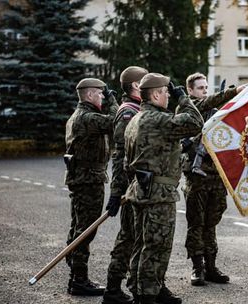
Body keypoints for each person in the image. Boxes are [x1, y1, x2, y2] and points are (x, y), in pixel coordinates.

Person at [123, 73, 204, 304]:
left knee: (142, 244)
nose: (169, 95)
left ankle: (145, 289)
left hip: (141, 190)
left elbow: (128, 163)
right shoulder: (156, 119)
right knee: (157, 247)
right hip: (158, 194)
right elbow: (195, 123)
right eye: (167, 92)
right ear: (156, 93)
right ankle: (147, 295)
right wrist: (184, 100)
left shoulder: (136, 120)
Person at [182, 72, 245, 286]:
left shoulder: (216, 111)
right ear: (190, 90)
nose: (204, 91)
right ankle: (197, 267)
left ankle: (211, 266)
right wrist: (231, 93)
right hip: (197, 176)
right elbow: (205, 104)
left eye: (206, 87)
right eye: (200, 88)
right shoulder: (187, 109)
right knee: (196, 223)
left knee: (212, 222)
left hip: (216, 175)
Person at [64, 78, 118, 296]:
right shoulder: (86, 118)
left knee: (79, 227)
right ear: (89, 95)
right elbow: (115, 122)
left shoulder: (82, 116)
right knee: (85, 230)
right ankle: (79, 279)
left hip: (85, 178)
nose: (103, 97)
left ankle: (75, 273)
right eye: (100, 94)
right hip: (88, 180)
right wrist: (114, 102)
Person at [102, 66, 148, 304]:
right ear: (136, 86)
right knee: (128, 237)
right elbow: (120, 156)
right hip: (131, 188)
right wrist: (116, 192)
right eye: (145, 80)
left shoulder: (141, 109)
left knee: (141, 238)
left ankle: (140, 285)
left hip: (142, 188)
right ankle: (112, 288)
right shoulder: (127, 113)